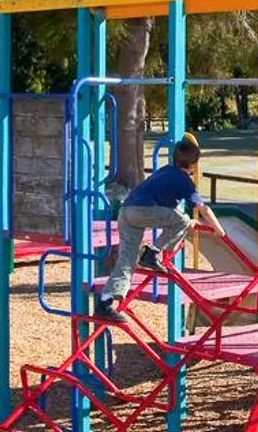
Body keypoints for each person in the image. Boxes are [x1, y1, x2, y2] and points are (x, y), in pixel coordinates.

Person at [92, 135, 226, 320]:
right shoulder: (184, 180)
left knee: (127, 260)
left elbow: (166, 207)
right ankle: (152, 253)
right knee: (183, 220)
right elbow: (203, 208)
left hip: (126, 212)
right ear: (194, 165)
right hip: (142, 211)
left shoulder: (165, 171)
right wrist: (219, 230)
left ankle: (104, 303)